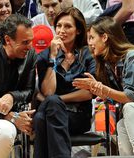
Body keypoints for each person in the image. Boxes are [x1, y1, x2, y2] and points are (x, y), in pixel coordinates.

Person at [73, 16, 134, 155]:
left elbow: (130, 97)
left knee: (129, 107)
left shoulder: (133, 56)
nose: (89, 43)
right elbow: (119, 98)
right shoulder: (109, 65)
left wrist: (104, 89)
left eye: (92, 37)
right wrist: (103, 94)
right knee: (121, 124)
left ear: (104, 37)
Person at [33, 7, 96, 158]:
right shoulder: (45, 56)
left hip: (78, 116)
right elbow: (48, 91)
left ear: (78, 30)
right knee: (43, 117)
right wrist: (52, 58)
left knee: (44, 116)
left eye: (68, 26)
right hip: (50, 113)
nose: (61, 30)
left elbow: (88, 92)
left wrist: (56, 100)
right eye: (59, 26)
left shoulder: (88, 55)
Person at [0, 13, 37, 158]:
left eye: (31, 41)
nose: (29, 46)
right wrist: (10, 117)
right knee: (5, 130)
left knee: (6, 130)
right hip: (1, 120)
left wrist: (12, 96)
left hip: (13, 117)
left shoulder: (30, 55)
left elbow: (29, 91)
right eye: (25, 42)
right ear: (8, 40)